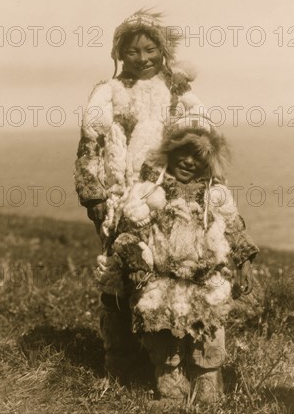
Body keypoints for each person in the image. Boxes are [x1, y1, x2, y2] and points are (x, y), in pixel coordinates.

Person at [74, 9, 204, 380]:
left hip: (168, 198)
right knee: (120, 275)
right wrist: (94, 196)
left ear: (162, 51)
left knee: (168, 277)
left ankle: (169, 362)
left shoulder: (178, 92)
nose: (143, 59)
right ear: (119, 54)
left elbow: (200, 139)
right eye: (133, 51)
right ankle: (122, 361)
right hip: (118, 201)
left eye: (150, 50)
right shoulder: (108, 93)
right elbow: (90, 146)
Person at [105, 118, 259, 405]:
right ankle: (172, 395)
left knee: (209, 336)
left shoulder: (215, 194)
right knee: (165, 341)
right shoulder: (151, 192)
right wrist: (137, 262)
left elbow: (234, 228)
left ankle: (208, 394)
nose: (188, 162)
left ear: (208, 161)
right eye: (182, 153)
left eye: (198, 157)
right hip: (163, 282)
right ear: (169, 152)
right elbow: (129, 232)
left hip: (205, 279)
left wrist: (244, 262)